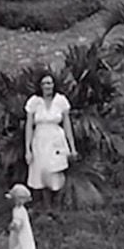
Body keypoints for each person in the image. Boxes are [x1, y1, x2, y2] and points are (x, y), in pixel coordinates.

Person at [24, 73, 78, 209]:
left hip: (56, 140)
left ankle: (58, 205)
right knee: (42, 172)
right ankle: (46, 207)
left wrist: (72, 147)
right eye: (44, 84)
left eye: (50, 83)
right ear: (40, 86)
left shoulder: (61, 101)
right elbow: (29, 127)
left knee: (56, 171)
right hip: (40, 141)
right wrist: (27, 149)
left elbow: (67, 125)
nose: (48, 86)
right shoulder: (34, 102)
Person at [6, 184, 37, 249]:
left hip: (21, 235)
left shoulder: (19, 211)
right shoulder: (18, 210)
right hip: (21, 235)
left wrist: (13, 226)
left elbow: (19, 223)